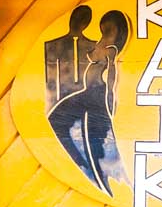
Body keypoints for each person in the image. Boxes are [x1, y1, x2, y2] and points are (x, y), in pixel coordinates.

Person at [48, 10, 129, 196]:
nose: (104, 34)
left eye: (108, 30)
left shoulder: (111, 50)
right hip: (86, 95)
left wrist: (109, 105)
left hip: (96, 97)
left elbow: (111, 78)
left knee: (95, 144)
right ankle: (83, 165)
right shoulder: (103, 46)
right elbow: (93, 57)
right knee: (57, 120)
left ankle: (101, 182)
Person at [43, 4, 97, 109]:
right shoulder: (53, 46)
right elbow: (51, 80)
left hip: (86, 100)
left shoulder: (94, 46)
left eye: (82, 19)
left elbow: (95, 78)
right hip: (62, 100)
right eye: (76, 19)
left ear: (86, 23)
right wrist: (54, 103)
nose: (77, 23)